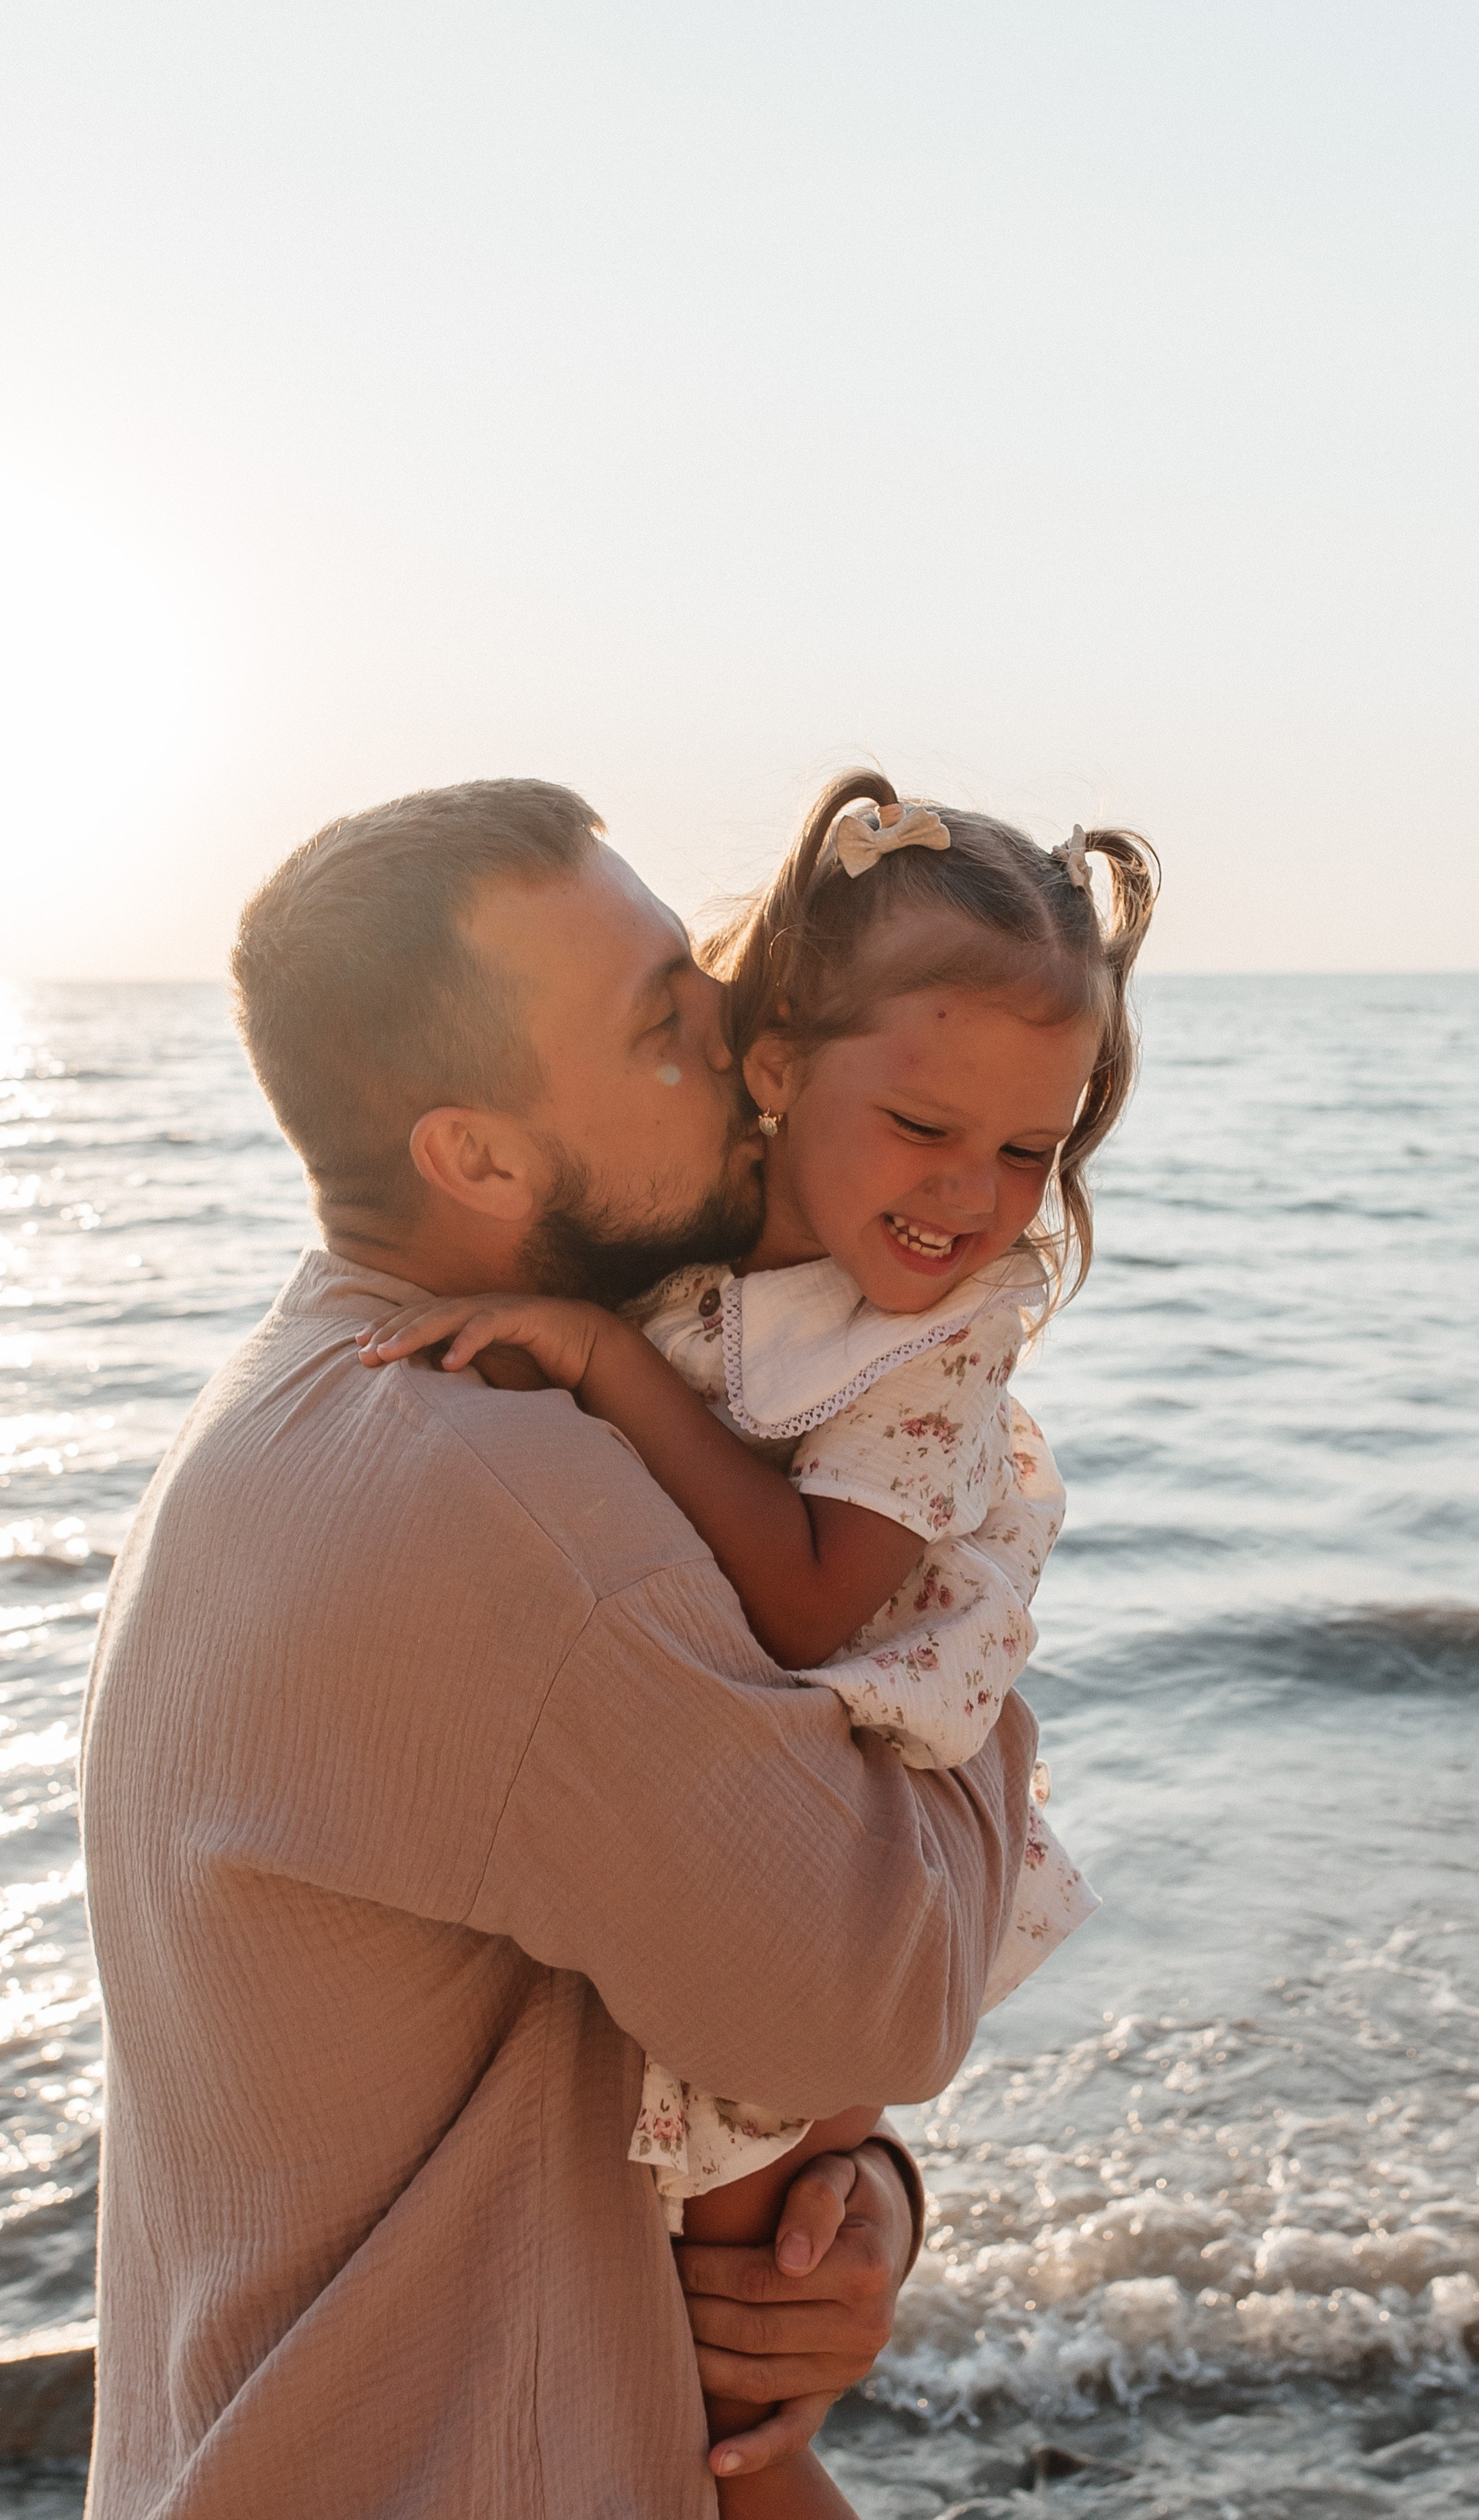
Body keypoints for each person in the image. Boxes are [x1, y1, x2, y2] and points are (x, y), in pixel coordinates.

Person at [78, 778, 1038, 2519]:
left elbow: (675, 1975)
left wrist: (855, 2208)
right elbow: (873, 1989)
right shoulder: (497, 1503)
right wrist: (970, 1634)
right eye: (665, 1029)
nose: (743, 1042)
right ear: (482, 1156)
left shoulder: (289, 1409)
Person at [361, 772, 1157, 2518]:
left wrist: (597, 1361)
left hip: (846, 1806)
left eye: (1030, 1151)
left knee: (719, 2365)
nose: (973, 1197)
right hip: (727, 1825)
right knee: (697, 2319)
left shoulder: (930, 1343)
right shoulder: (688, 1230)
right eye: (929, 1128)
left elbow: (811, 1599)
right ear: (780, 1067)